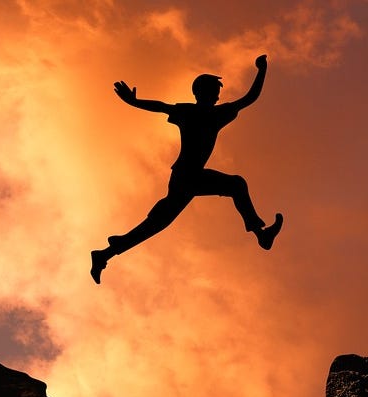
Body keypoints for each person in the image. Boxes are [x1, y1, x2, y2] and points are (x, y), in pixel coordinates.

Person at [90, 54, 283, 284]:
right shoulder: (193, 112)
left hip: (189, 177)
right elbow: (161, 106)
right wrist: (135, 102)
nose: (217, 95)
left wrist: (262, 71)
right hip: (185, 176)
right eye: (214, 91)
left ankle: (104, 254)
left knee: (159, 221)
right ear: (202, 93)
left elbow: (250, 98)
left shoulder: (215, 113)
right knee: (233, 185)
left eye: (217, 92)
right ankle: (260, 234)